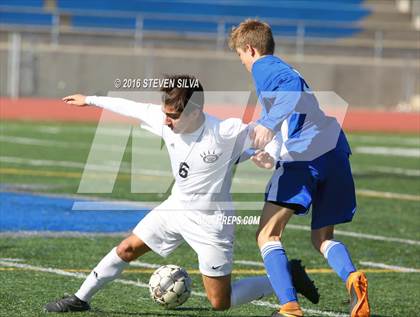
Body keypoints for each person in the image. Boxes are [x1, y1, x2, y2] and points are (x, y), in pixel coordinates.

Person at [44, 75, 318, 313]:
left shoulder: (225, 131)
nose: (166, 121)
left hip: (212, 223)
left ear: (195, 112)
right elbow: (132, 107)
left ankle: (287, 276)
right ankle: (80, 298)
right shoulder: (166, 119)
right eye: (166, 114)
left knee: (220, 302)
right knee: (126, 248)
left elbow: (272, 132)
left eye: (173, 116)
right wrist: (90, 99)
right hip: (175, 208)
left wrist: (268, 154)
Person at [229, 20, 370, 317]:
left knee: (267, 234)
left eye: (240, 55)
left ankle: (289, 307)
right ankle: (353, 279)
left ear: (251, 49)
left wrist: (266, 127)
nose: (242, 62)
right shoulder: (283, 71)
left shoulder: (264, 67)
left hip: (305, 158)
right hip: (334, 152)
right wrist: (269, 151)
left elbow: (289, 95)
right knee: (322, 238)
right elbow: (292, 115)